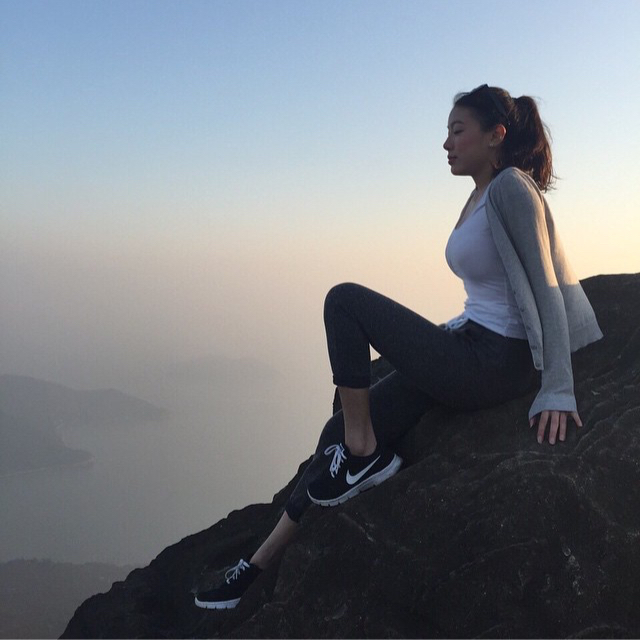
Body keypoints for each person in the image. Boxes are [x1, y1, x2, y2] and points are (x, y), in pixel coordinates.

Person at [194, 84, 603, 609]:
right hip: (469, 343)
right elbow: (489, 293)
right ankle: (254, 569)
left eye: (457, 131)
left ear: (495, 135)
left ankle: (364, 455)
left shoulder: (511, 189)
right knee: (335, 431)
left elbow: (545, 287)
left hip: (494, 363)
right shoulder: (479, 194)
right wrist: (443, 337)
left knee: (344, 302)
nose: (446, 143)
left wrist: (558, 387)